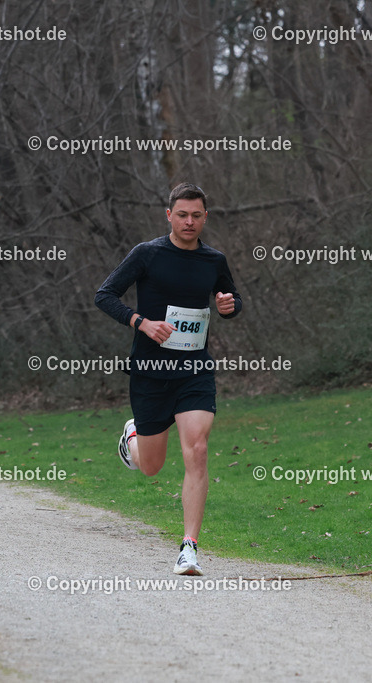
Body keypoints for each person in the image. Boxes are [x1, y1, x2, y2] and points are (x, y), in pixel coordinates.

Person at [95, 182, 242, 575]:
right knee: (151, 466)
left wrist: (228, 305)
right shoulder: (147, 254)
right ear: (169, 216)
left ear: (205, 217)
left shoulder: (214, 260)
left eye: (196, 215)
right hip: (151, 372)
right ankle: (132, 437)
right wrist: (141, 322)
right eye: (182, 215)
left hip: (194, 370)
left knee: (197, 448)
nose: (189, 221)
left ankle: (188, 547)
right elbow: (104, 295)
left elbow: (231, 300)